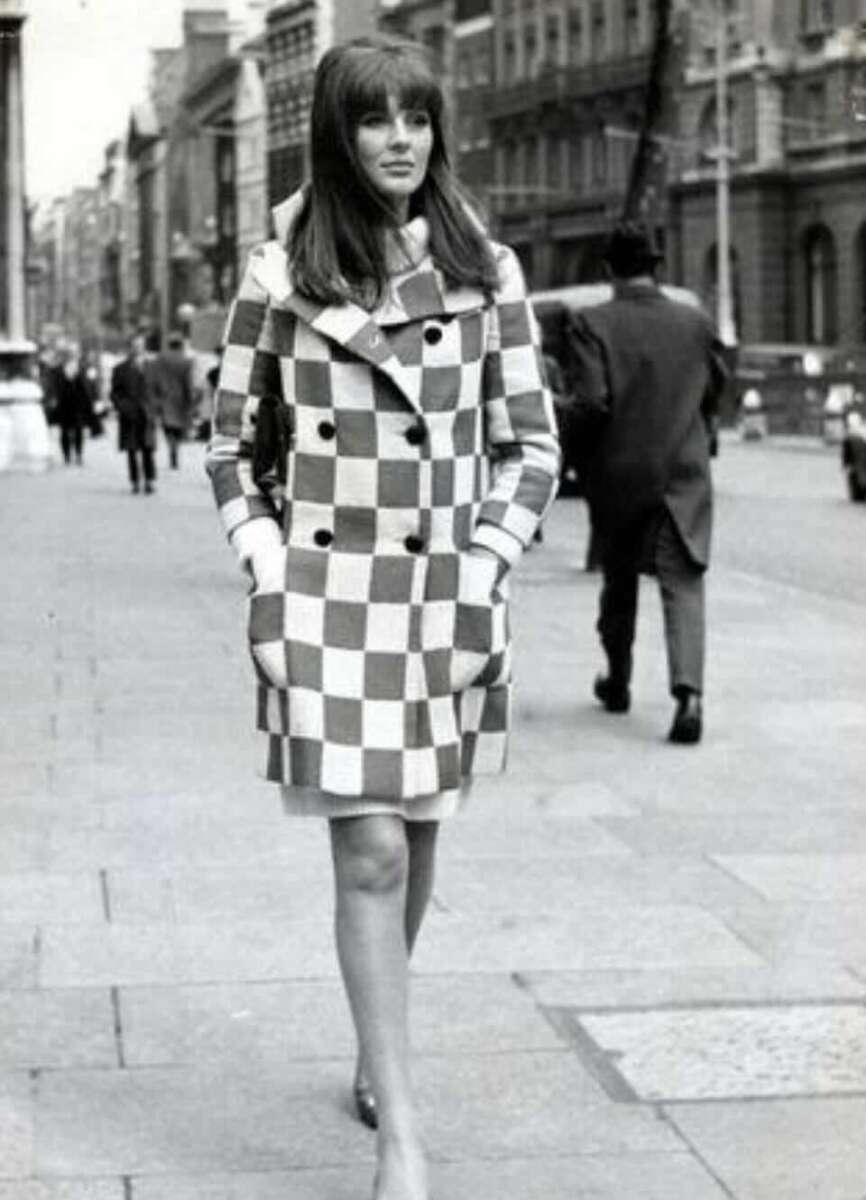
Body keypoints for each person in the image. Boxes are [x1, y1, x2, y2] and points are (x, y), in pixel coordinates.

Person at [206, 36, 559, 1200]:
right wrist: (265, 568)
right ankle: (402, 1135)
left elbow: (531, 448)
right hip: (325, 592)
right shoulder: (276, 275)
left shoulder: (484, 268)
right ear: (337, 133)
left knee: (412, 842)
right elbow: (228, 444)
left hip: (444, 593)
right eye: (374, 119)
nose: (400, 137)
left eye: (416, 116)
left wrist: (488, 563)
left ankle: (376, 1044)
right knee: (365, 850)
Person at [564, 221, 727, 745]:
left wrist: (566, 444)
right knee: (684, 585)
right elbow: (714, 389)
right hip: (683, 474)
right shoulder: (696, 322)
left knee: (619, 582)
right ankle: (689, 698)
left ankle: (617, 681)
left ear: (608, 269)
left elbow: (590, 403)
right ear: (656, 267)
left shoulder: (590, 323)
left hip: (620, 475)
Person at [110, 332, 158, 494]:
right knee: (131, 449)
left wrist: (155, 407)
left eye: (140, 345)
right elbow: (115, 393)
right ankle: (135, 481)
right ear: (130, 348)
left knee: (148, 449)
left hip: (147, 414)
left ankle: (149, 481)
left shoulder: (153, 367)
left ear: (144, 347)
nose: (137, 348)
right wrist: (123, 407)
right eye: (134, 345)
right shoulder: (120, 369)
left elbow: (159, 390)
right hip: (129, 414)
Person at [151, 331, 194, 468]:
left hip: (164, 398)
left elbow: (155, 378)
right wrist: (189, 399)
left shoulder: (160, 359)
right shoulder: (186, 361)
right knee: (178, 427)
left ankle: (171, 446)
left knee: (167, 426)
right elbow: (188, 382)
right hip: (180, 399)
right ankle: (175, 448)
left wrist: (155, 395)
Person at [51, 343, 95, 466]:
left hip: (79, 404)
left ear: (78, 353)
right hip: (64, 404)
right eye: (69, 352)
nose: (72, 354)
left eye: (74, 352)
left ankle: (79, 455)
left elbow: (89, 386)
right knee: (64, 431)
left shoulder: (83, 368)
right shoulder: (58, 369)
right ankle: (67, 456)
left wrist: (92, 401)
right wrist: (54, 398)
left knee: (79, 430)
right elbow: (55, 385)